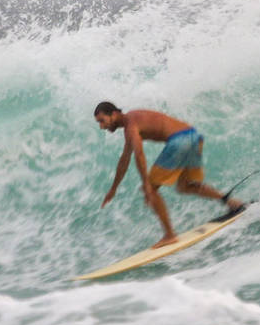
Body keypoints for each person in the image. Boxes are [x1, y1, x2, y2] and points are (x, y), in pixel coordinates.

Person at [94, 101, 245, 248]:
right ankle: (231, 202)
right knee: (185, 186)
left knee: (151, 189)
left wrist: (147, 185)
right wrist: (113, 189)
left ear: (114, 114)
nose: (101, 126)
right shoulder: (132, 121)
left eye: (102, 121)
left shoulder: (130, 126)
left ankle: (169, 235)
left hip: (179, 141)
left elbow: (139, 154)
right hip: (192, 135)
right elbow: (124, 160)